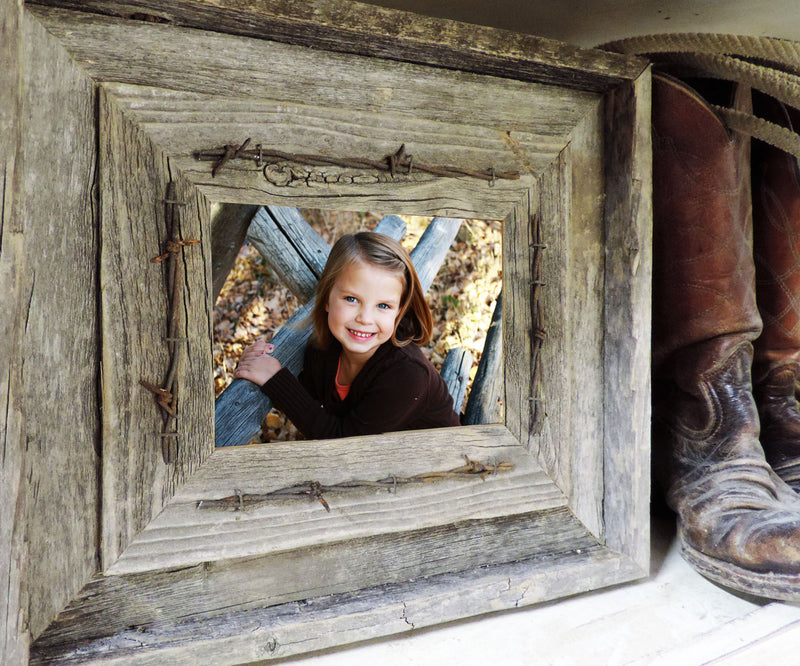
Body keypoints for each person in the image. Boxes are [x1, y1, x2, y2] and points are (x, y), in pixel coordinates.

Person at [233, 231, 461, 439]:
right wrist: (262, 364)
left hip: (438, 467)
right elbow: (306, 397)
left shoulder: (407, 374)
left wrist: (276, 380)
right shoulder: (322, 350)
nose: (365, 318)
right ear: (326, 299)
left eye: (383, 306)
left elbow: (344, 444)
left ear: (399, 312)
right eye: (351, 299)